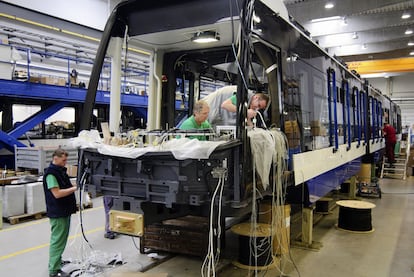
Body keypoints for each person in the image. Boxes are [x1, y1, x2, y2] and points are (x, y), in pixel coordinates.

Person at [43, 148, 77, 277]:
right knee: (57, 240)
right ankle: (54, 270)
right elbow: (56, 194)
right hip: (58, 212)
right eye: (63, 160)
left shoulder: (60, 171)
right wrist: (75, 188)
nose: (65, 163)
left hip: (64, 210)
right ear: (55, 159)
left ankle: (57, 261)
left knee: (61, 239)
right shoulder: (51, 174)